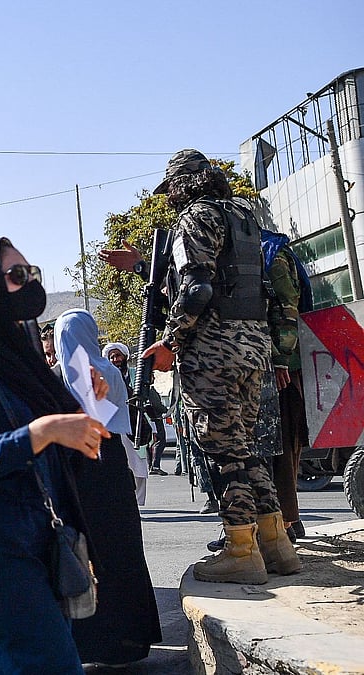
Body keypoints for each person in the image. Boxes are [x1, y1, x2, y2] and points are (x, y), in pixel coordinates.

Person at [0, 238, 109, 674]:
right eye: (16, 276)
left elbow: (58, 441)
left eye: (32, 274)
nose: (28, 284)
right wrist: (42, 430)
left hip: (44, 532)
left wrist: (81, 405)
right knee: (50, 662)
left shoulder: (19, 359)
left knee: (7, 658)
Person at [142, 149, 301, 584]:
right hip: (254, 349)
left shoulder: (195, 219)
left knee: (224, 453)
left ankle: (239, 550)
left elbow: (195, 289)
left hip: (213, 352)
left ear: (181, 184)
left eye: (171, 188)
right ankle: (275, 546)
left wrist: (170, 342)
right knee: (246, 448)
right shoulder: (244, 219)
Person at [55, 310, 162, 667]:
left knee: (93, 553)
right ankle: (128, 638)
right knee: (117, 551)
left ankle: (97, 642)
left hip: (85, 467)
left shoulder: (76, 376)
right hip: (108, 466)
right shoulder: (108, 371)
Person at [261, 228, 314, 541]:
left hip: (282, 367)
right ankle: (286, 523)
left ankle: (286, 524)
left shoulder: (272, 255)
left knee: (280, 448)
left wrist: (280, 358)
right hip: (273, 364)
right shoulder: (263, 252)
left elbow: (287, 308)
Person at [102, 342, 150, 505]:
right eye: (112, 357)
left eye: (118, 356)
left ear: (125, 357)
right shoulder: (107, 375)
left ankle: (138, 502)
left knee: (140, 466)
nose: (116, 359)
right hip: (118, 425)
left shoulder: (136, 374)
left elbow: (149, 400)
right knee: (124, 465)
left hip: (137, 422)